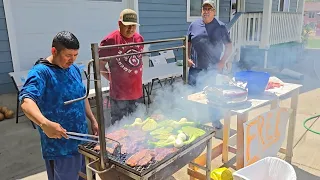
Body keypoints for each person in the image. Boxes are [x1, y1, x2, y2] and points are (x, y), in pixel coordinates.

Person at [19, 31, 99, 180]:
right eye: (68, 55)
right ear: (54, 51)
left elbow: (82, 96)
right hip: (61, 148)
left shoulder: (74, 69)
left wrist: (93, 120)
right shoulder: (41, 72)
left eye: (75, 55)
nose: (72, 60)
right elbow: (26, 101)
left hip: (82, 142)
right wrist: (44, 123)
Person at [187, 0, 233, 129]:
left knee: (213, 96)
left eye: (209, 9)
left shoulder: (221, 27)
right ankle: (196, 120)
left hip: (213, 69)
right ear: (201, 10)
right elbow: (188, 43)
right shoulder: (194, 25)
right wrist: (187, 57)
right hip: (195, 68)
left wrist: (222, 62)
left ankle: (215, 120)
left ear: (214, 12)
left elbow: (229, 46)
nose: (206, 11)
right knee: (193, 96)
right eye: (204, 9)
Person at [99, 9, 145, 125]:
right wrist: (111, 79)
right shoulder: (109, 41)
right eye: (127, 26)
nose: (131, 29)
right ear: (119, 24)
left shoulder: (139, 39)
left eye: (133, 26)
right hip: (119, 95)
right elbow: (100, 65)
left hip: (137, 92)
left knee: (139, 126)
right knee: (120, 128)